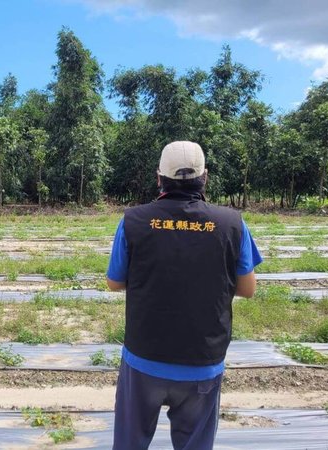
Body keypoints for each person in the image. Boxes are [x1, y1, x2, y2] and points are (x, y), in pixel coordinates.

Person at [106, 141, 262, 450]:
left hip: (144, 359)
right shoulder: (232, 224)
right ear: (205, 178)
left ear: (159, 178)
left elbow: (115, 282)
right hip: (203, 362)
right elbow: (248, 288)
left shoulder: (134, 221)